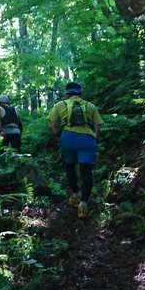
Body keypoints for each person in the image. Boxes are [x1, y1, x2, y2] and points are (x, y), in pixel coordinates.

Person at [47, 82, 103, 218]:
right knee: (86, 172)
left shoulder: (60, 105)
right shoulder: (90, 106)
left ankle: (75, 195)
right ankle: (83, 206)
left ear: (67, 95)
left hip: (68, 138)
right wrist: (94, 139)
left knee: (70, 166)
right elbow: (98, 126)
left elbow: (51, 125)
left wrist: (57, 138)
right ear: (81, 94)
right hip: (87, 139)